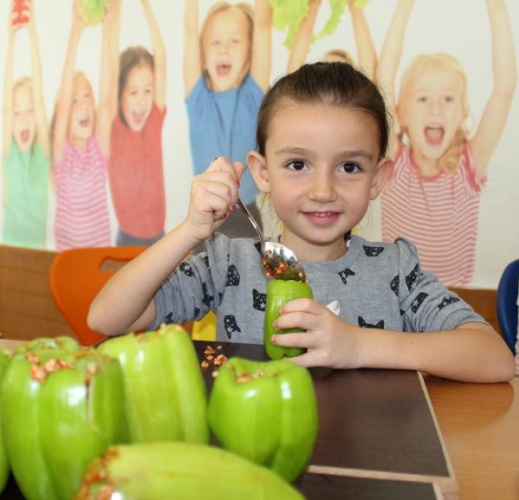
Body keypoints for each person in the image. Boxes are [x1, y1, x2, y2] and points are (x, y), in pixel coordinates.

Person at [89, 62, 515, 383]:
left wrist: (356, 345)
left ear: (378, 179)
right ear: (262, 173)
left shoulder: (395, 270)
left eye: (349, 167)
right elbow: (108, 318)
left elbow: (493, 357)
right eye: (298, 164)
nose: (323, 190)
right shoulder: (229, 263)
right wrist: (190, 231)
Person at [378, 0, 517, 286]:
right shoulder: (395, 165)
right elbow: (383, 80)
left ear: (464, 113)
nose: (436, 108)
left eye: (449, 98)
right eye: (423, 98)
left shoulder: (469, 165)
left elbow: (505, 87)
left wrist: (497, 7)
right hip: (396, 297)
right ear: (400, 112)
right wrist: (404, 7)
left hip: (455, 300)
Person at [184, 0, 273, 239]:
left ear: (249, 54)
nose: (223, 49)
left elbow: (264, 26)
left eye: (235, 41)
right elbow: (190, 31)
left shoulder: (253, 96)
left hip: (247, 216)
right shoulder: (198, 100)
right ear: (202, 56)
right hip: (205, 213)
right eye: (215, 42)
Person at [52, 0, 117, 250]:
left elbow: (107, 87)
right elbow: (64, 97)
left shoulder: (97, 148)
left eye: (87, 97)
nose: (82, 105)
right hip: (64, 259)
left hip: (97, 260)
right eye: (74, 101)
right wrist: (75, 33)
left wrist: (106, 29)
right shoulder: (61, 153)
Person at [109, 0, 167, 247]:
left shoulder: (153, 122)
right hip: (126, 240)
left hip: (159, 238)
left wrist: (146, 6)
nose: (142, 101)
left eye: (148, 91)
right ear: (119, 93)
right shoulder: (114, 130)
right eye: (133, 92)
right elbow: (110, 72)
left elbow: (162, 61)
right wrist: (116, 11)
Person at [2, 0, 50, 248]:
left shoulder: (42, 155)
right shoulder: (7, 154)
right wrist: (10, 39)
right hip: (7, 246)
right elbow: (7, 105)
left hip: (39, 250)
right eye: (17, 112)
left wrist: (31, 34)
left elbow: (40, 99)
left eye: (29, 110)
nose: (23, 117)